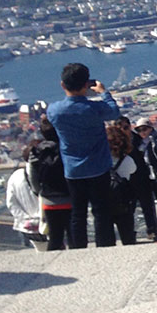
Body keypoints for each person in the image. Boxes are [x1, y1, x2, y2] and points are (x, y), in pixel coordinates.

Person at [46, 62, 119, 248]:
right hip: (99, 167)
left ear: (63, 85)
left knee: (78, 213)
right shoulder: (94, 109)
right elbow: (114, 111)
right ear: (86, 84)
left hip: (73, 169)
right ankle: (105, 246)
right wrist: (104, 92)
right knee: (101, 211)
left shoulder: (54, 110)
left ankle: (78, 249)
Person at [27, 119, 72, 251]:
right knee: (73, 234)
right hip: (70, 196)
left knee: (54, 236)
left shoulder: (36, 152)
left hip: (48, 199)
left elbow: (33, 178)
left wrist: (40, 193)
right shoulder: (67, 148)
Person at [114, 116, 157, 238]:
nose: (123, 131)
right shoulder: (116, 143)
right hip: (126, 181)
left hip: (142, 178)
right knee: (129, 209)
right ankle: (129, 234)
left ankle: (152, 231)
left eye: (126, 128)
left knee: (147, 206)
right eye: (120, 129)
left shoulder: (139, 139)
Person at [6, 145, 43, 249]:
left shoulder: (15, 176)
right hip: (48, 223)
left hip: (27, 226)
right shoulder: (47, 173)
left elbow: (11, 203)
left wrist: (26, 219)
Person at [105, 125, 138, 245]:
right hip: (123, 201)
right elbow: (133, 170)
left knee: (106, 238)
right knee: (127, 236)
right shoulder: (127, 160)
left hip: (104, 200)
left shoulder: (100, 160)